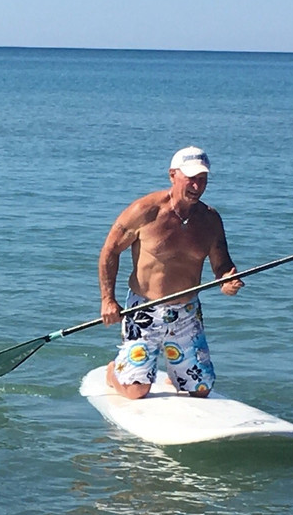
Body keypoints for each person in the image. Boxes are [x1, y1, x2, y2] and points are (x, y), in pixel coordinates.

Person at [98, 146, 243, 400]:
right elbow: (110, 251)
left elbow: (222, 265)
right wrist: (107, 299)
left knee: (199, 391)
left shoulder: (210, 220)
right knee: (136, 391)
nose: (197, 186)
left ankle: (176, 370)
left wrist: (227, 281)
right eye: (191, 179)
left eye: (202, 180)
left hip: (187, 313)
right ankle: (114, 373)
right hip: (143, 310)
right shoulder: (145, 211)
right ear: (172, 176)